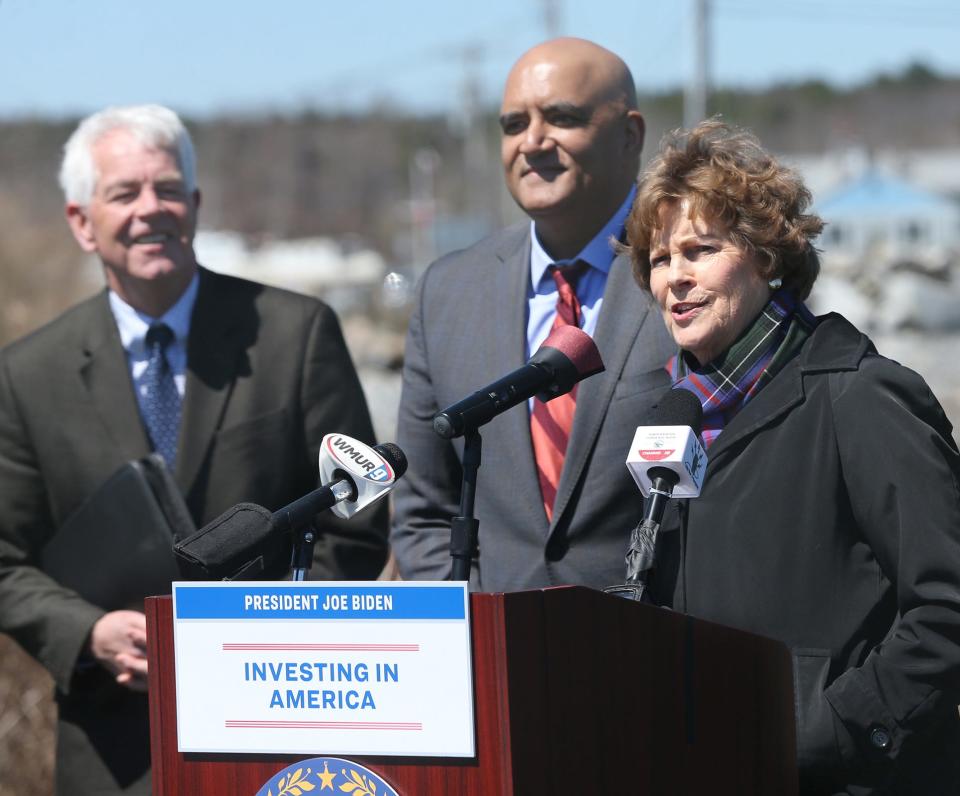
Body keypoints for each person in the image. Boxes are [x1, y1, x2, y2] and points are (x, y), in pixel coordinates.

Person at [0, 105, 388, 795]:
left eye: (168, 189)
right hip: (114, 751)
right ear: (81, 222)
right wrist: (89, 633)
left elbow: (354, 521)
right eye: (124, 193)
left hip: (281, 735)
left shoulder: (296, 335)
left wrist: (269, 645)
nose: (151, 209)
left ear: (197, 204)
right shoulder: (28, 375)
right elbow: (6, 560)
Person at [626, 118, 960, 794]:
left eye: (701, 250)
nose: (676, 279)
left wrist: (833, 731)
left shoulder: (859, 395)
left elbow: (946, 605)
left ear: (765, 256)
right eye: (661, 259)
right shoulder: (673, 416)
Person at [391, 38, 675, 591]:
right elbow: (424, 510)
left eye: (563, 117)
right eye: (513, 123)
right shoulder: (447, 292)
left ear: (630, 135)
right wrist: (477, 631)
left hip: (658, 651)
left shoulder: (694, 273)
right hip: (494, 656)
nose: (533, 141)